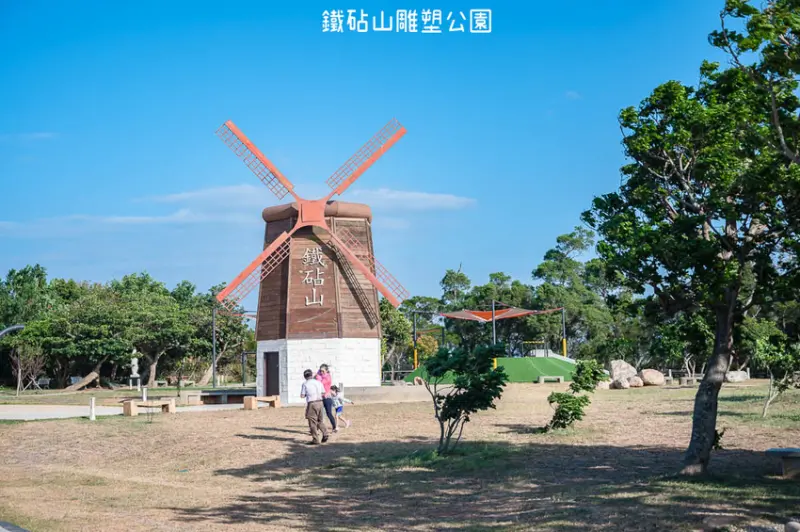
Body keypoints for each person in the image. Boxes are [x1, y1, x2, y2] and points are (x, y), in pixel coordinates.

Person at [300, 369, 328, 444]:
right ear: (311, 375)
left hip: (312, 403)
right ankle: (325, 433)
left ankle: (315, 440)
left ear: (305, 376)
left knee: (312, 422)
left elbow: (302, 395)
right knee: (320, 420)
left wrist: (307, 394)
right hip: (320, 402)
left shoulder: (305, 384)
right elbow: (323, 393)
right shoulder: (319, 382)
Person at [315, 363, 338, 432]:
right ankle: (317, 429)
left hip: (327, 398)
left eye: (323, 371)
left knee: (329, 413)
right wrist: (318, 374)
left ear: (326, 371)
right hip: (320, 398)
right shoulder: (321, 375)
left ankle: (334, 427)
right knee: (319, 414)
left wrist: (317, 376)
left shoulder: (328, 377)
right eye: (320, 371)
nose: (321, 372)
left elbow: (321, 383)